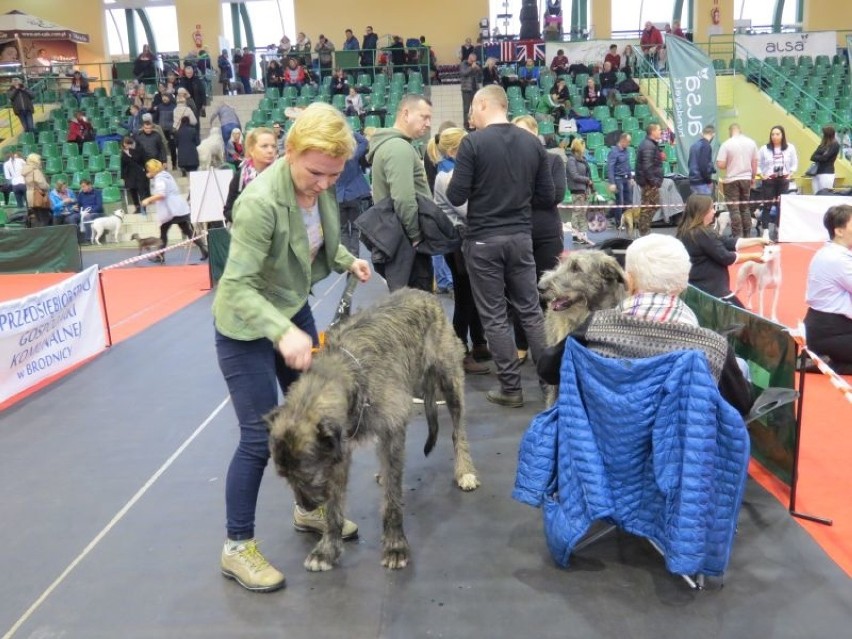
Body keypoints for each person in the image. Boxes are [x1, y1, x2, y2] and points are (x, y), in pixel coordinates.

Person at [211, 103, 371, 593]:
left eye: (334, 175)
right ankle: (237, 548)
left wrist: (346, 259)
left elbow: (313, 239)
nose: (324, 184)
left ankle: (307, 510)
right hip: (246, 326)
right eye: (316, 172)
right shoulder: (259, 202)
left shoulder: (318, 188)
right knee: (260, 439)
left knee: (314, 420)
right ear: (291, 151)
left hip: (290, 309)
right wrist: (281, 333)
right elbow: (235, 287)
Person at [537, 233, 753, 416]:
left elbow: (548, 370)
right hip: (678, 458)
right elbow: (741, 406)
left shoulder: (592, 331)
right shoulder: (712, 347)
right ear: (684, 283)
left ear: (629, 281)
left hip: (604, 449)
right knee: (742, 367)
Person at [446, 85, 555, 407]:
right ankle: (550, 385)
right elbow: (548, 196)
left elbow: (455, 197)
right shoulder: (532, 143)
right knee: (532, 311)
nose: (471, 119)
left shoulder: (473, 144)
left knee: (494, 316)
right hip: (521, 238)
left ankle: (511, 389)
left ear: (482, 105)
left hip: (483, 239)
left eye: (472, 112)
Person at [428, 127, 490, 375]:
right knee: (464, 297)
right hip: (459, 243)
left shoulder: (449, 171)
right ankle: (460, 351)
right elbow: (467, 210)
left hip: (462, 241)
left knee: (472, 294)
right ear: (455, 149)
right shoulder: (448, 175)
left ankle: (478, 343)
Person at [366, 94, 434, 291]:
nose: (428, 124)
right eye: (424, 117)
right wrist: (416, 236)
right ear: (406, 113)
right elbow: (404, 199)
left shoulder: (392, 145)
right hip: (407, 243)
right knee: (417, 311)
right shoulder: (398, 148)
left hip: (396, 239)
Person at [512, 116, 567, 360]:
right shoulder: (510, 163)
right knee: (519, 293)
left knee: (551, 291)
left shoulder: (553, 160)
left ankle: (551, 343)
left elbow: (554, 195)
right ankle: (521, 344)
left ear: (535, 134)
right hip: (518, 233)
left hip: (546, 235)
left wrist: (523, 195)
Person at [676, 194, 770, 306]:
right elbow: (725, 257)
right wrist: (755, 256)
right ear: (702, 211)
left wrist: (759, 240)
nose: (714, 212)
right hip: (712, 292)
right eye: (711, 208)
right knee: (742, 320)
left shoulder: (687, 231)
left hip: (697, 289)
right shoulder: (703, 233)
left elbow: (727, 242)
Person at [804, 205, 852, 374]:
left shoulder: (831, 253)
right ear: (839, 231)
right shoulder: (837, 259)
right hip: (831, 331)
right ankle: (827, 362)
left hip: (827, 327)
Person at [140, 159, 208, 260]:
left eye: (148, 169)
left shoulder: (160, 179)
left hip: (170, 209)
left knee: (163, 233)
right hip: (179, 207)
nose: (147, 171)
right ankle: (203, 249)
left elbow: (161, 195)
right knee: (188, 231)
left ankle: (160, 256)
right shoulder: (166, 175)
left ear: (153, 169)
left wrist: (148, 200)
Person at [222, 127, 278, 224]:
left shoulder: (281, 175)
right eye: (264, 146)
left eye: (273, 146)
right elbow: (228, 211)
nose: (270, 150)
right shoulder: (241, 177)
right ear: (251, 150)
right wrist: (246, 218)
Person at [716, 123, 759, 239]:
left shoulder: (726, 144)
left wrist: (730, 163)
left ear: (730, 131)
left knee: (734, 210)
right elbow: (755, 162)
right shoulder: (751, 143)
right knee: (745, 208)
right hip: (746, 179)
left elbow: (721, 164)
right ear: (740, 130)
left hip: (731, 180)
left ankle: (737, 237)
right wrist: (753, 178)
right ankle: (747, 235)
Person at [757, 125, 797, 239]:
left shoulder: (790, 148)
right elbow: (758, 163)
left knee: (781, 205)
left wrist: (791, 174)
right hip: (769, 180)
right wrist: (761, 175)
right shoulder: (765, 148)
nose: (775, 136)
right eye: (772, 134)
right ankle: (765, 231)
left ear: (782, 135)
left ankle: (779, 229)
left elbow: (794, 163)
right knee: (767, 206)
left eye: (777, 134)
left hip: (783, 180)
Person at [336, 131, 371, 255]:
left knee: (342, 229)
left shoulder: (332, 159)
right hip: (354, 195)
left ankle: (346, 256)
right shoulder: (353, 155)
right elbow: (364, 141)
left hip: (339, 197)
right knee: (355, 228)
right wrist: (350, 132)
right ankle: (355, 255)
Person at [634, 123, 664, 236]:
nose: (661, 132)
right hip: (649, 183)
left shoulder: (650, 145)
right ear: (653, 132)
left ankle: (644, 231)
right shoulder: (648, 146)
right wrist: (654, 181)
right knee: (648, 208)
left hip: (650, 182)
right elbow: (647, 167)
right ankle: (644, 232)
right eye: (659, 130)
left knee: (652, 206)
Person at [565, 137, 593, 245]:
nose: (585, 148)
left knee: (583, 213)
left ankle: (583, 234)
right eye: (583, 146)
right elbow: (574, 176)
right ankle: (576, 236)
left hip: (584, 190)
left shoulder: (583, 159)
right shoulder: (571, 160)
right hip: (577, 190)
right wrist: (587, 180)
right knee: (577, 213)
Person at [607, 132, 633, 228]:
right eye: (628, 142)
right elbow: (610, 167)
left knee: (628, 201)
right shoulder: (613, 152)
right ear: (623, 141)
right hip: (618, 179)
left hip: (626, 179)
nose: (629, 144)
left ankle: (627, 221)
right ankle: (618, 222)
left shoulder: (626, 151)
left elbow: (628, 165)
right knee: (620, 201)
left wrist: (630, 177)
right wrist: (612, 183)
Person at [120, 136, 150, 216]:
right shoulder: (123, 152)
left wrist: (131, 153)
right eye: (126, 144)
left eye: (129, 144)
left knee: (141, 191)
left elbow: (142, 160)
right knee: (133, 191)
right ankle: (137, 207)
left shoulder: (138, 149)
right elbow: (122, 165)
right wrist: (123, 177)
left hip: (139, 173)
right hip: (129, 175)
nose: (127, 146)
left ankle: (144, 208)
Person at [21, 153, 52, 227]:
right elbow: (41, 183)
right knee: (44, 217)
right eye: (39, 159)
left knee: (38, 217)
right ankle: (45, 235)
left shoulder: (26, 171)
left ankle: (39, 235)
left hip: (30, 196)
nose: (40, 161)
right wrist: (47, 186)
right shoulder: (35, 170)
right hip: (39, 196)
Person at [810, 125, 840, 194]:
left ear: (827, 135)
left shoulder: (835, 145)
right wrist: (822, 156)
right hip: (816, 173)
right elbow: (812, 157)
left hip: (827, 173)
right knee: (816, 195)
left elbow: (825, 158)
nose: (821, 134)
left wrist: (819, 156)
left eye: (823, 133)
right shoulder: (822, 145)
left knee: (825, 195)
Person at [687, 124, 716, 195]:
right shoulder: (706, 146)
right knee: (705, 205)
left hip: (693, 182)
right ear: (713, 134)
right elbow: (703, 166)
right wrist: (708, 181)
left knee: (697, 205)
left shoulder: (694, 145)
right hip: (702, 183)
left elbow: (689, 163)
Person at [459, 53, 482, 131]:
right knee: (466, 108)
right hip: (466, 89)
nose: (474, 61)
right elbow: (463, 73)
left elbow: (480, 74)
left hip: (475, 89)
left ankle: (474, 124)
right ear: (470, 57)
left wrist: (478, 69)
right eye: (473, 59)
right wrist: (471, 68)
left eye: (475, 59)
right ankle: (466, 125)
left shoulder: (475, 65)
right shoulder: (463, 64)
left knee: (474, 108)